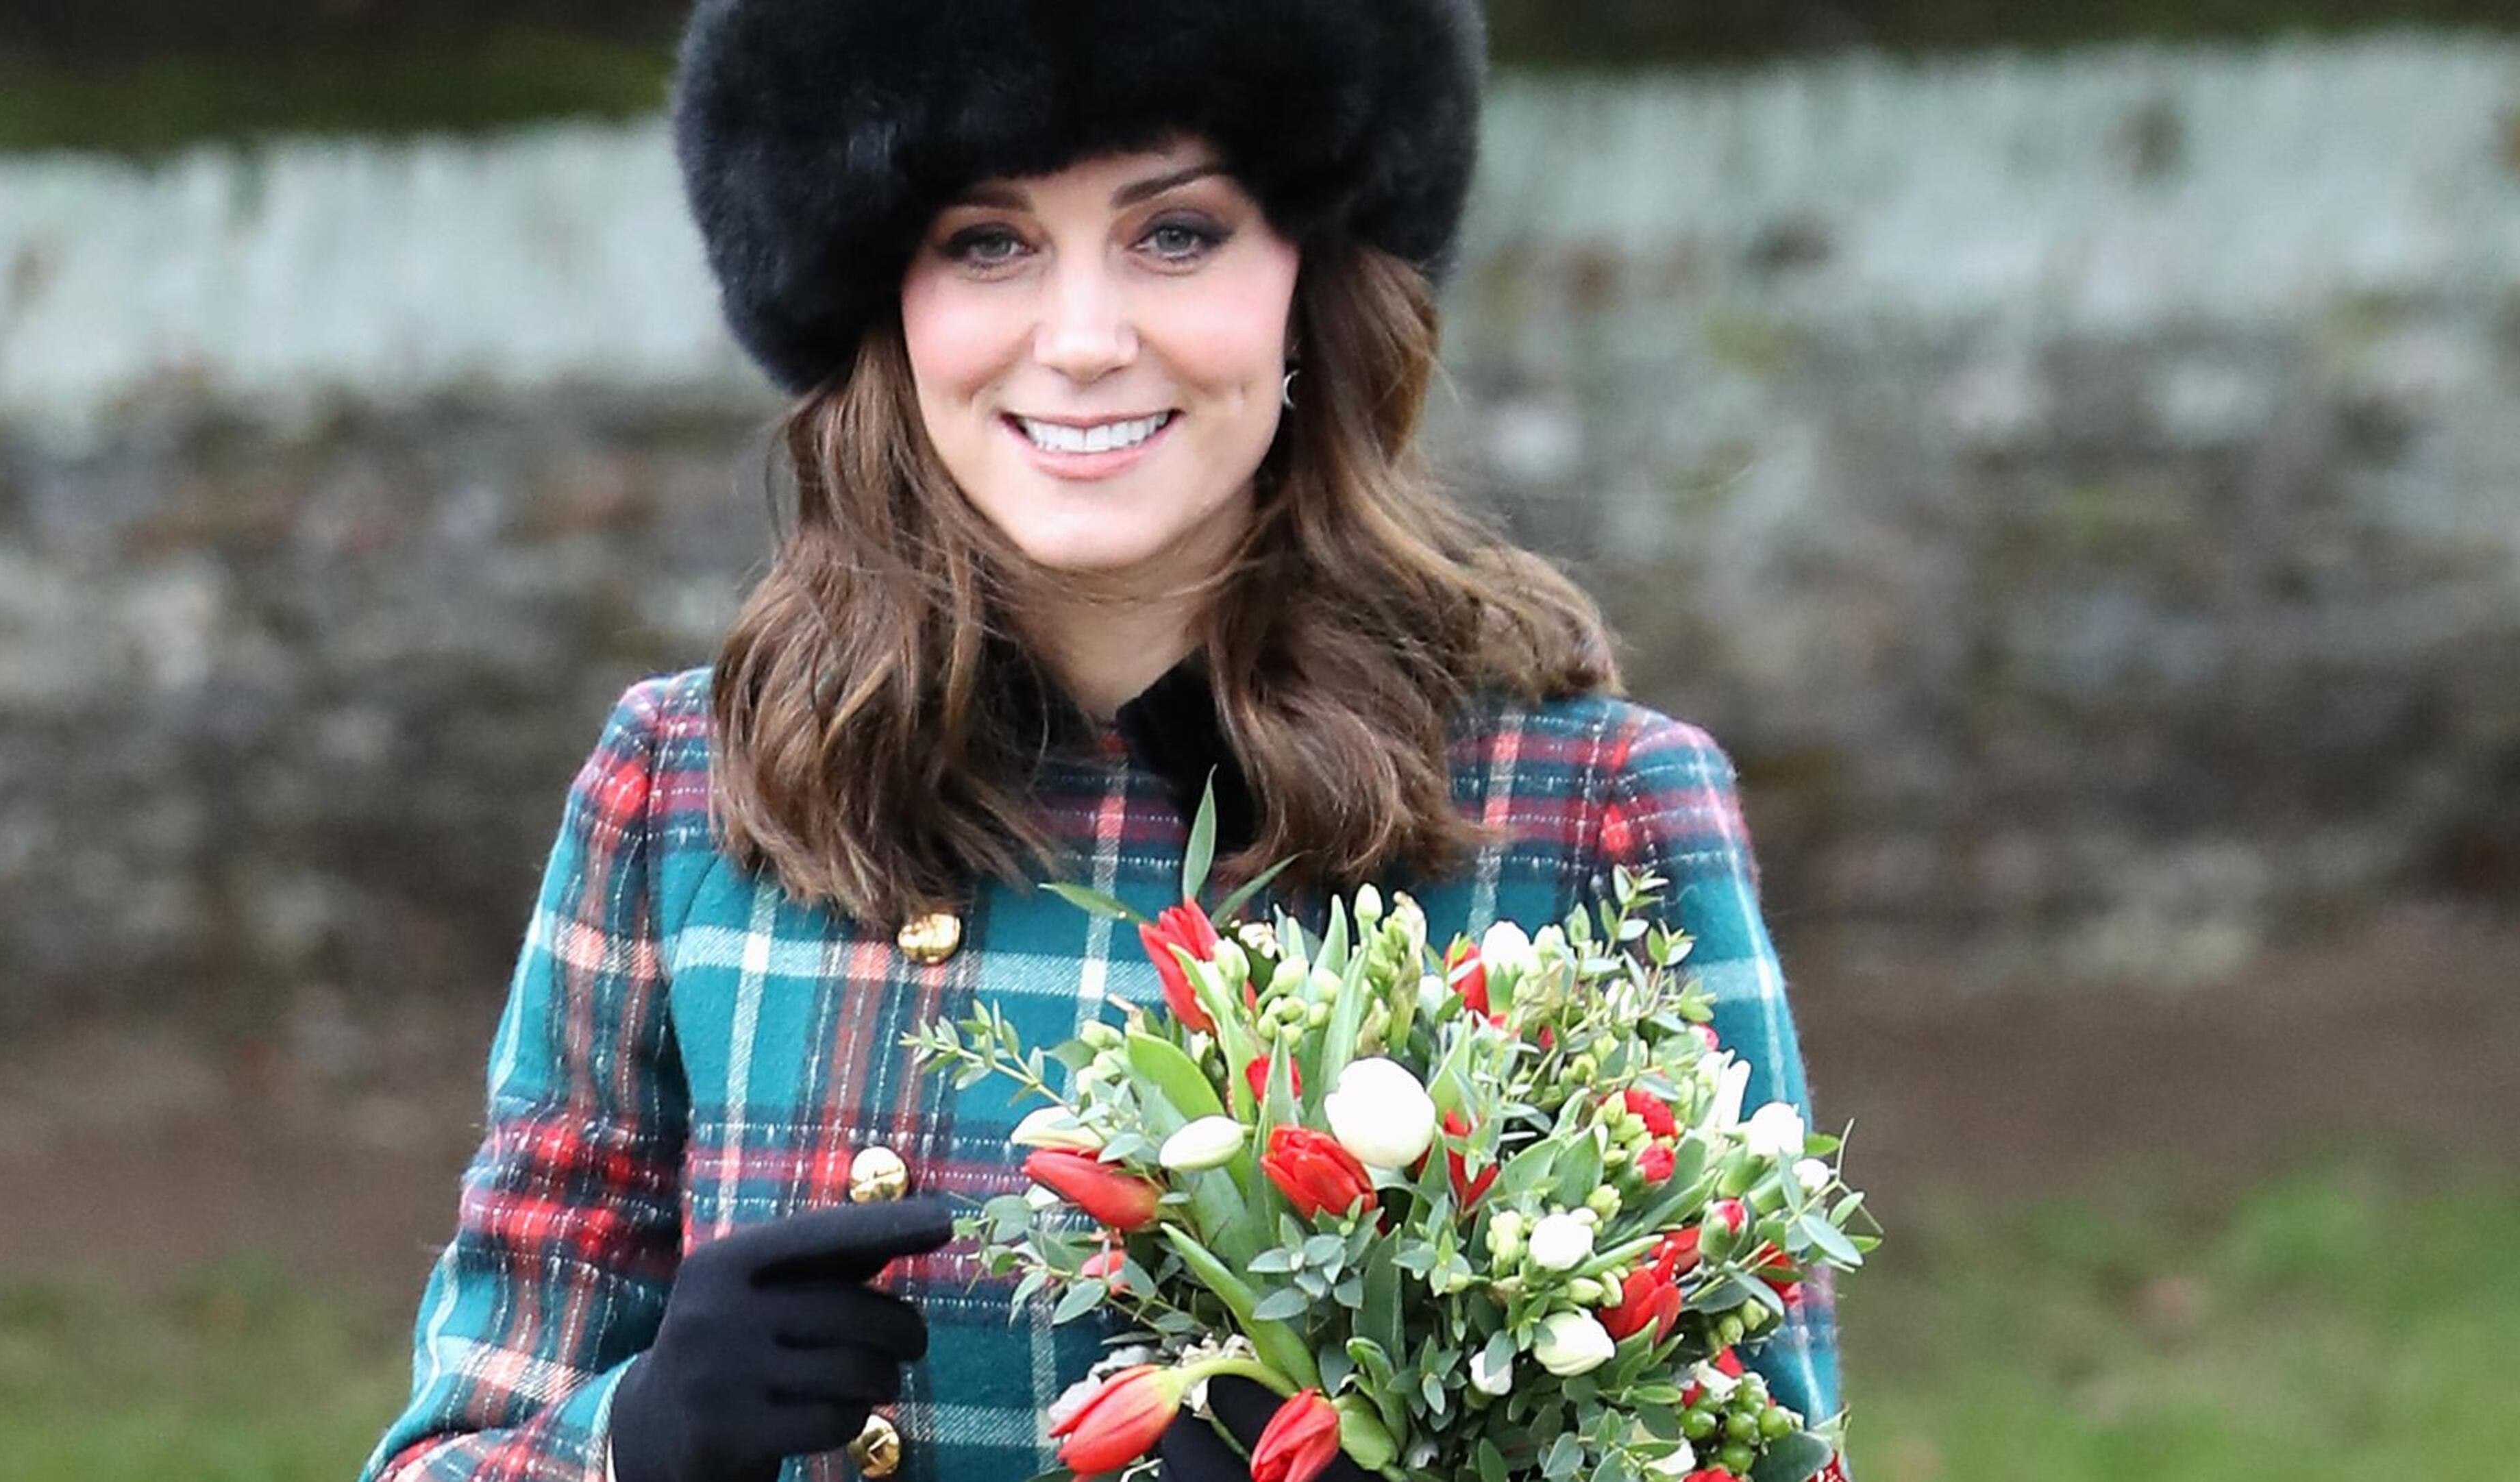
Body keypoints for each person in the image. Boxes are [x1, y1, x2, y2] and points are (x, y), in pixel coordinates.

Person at [355, 3, 1849, 1481]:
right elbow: (450, 1445)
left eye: (1177, 233)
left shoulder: (1593, 808)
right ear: (883, 295)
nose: (1081, 341)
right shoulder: (685, 785)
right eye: (988, 242)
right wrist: (633, 1443)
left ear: (1309, 279)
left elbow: (1773, 1453)